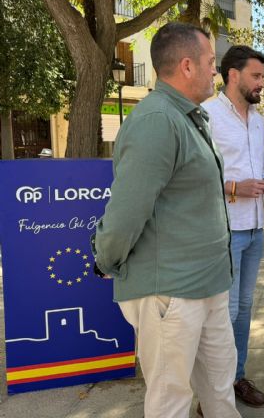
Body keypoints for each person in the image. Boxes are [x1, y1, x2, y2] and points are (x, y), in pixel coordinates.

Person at [94, 22, 240, 418]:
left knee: (219, 388)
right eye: (211, 62)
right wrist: (105, 260)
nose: (216, 71)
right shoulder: (157, 120)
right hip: (172, 293)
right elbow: (125, 214)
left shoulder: (190, 117)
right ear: (188, 66)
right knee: (170, 400)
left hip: (208, 284)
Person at [202, 45, 264, 408]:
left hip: (256, 228)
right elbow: (193, 177)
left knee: (244, 310)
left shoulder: (259, 119)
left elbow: (257, 167)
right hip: (223, 231)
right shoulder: (207, 114)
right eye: (257, 76)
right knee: (222, 314)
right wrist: (234, 187)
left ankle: (236, 378)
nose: (262, 83)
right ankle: (211, 391)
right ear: (233, 75)